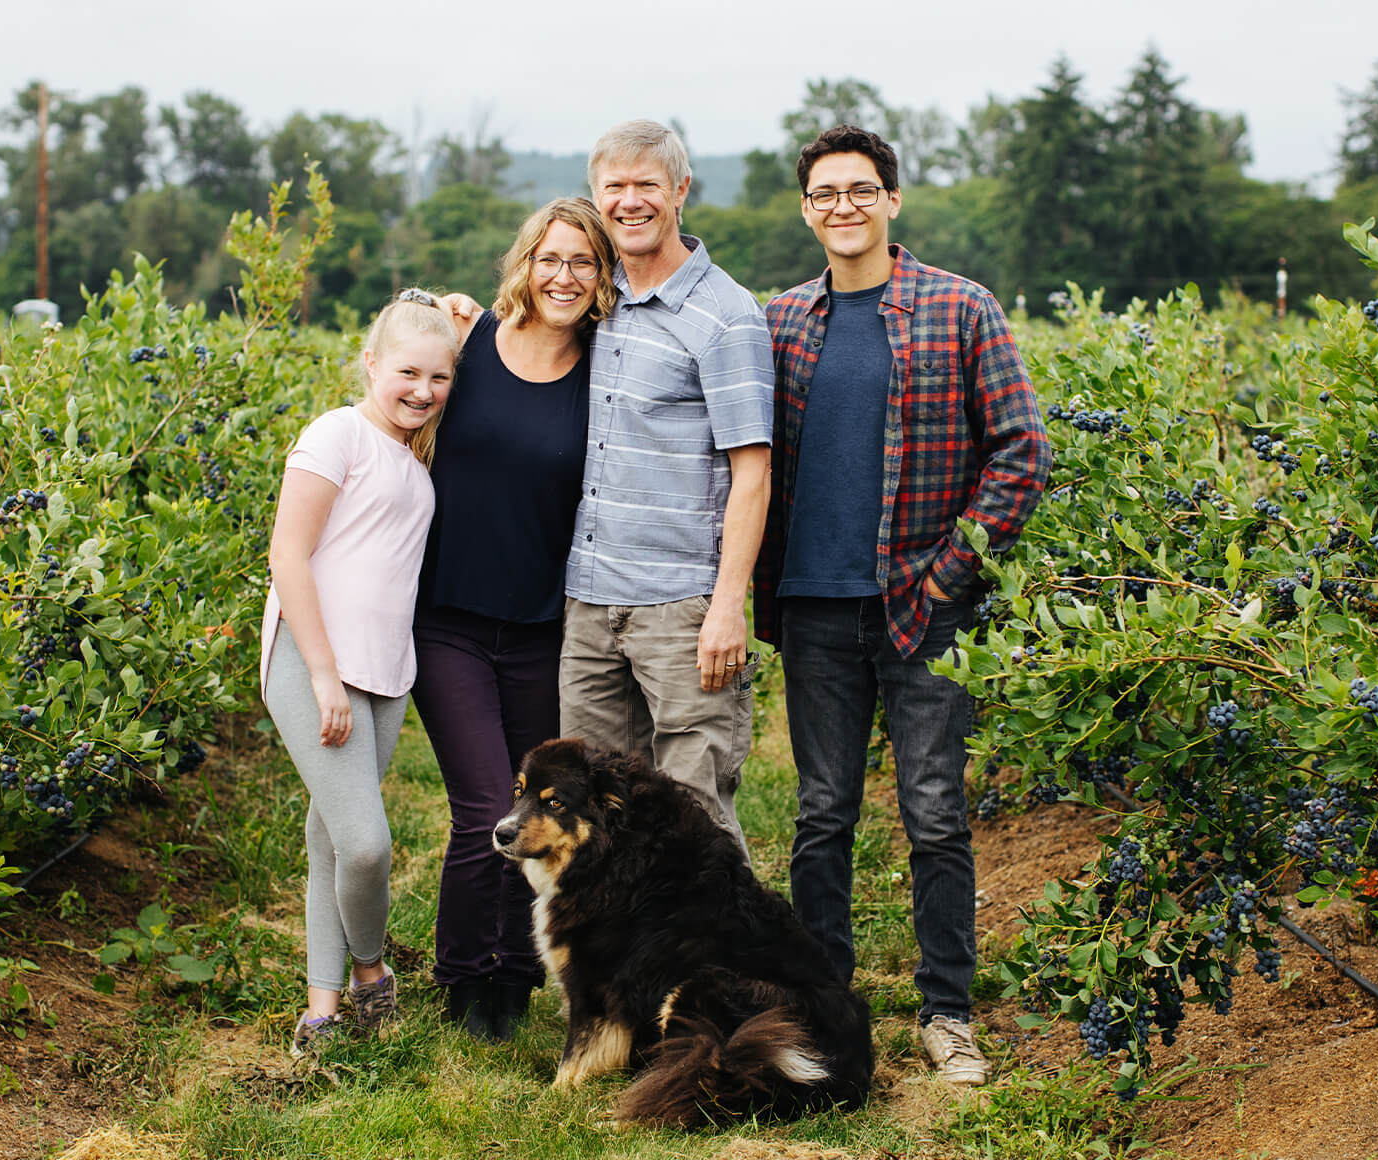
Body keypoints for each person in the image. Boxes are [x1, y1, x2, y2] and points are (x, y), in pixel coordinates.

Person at [754, 125, 1053, 1087]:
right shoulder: (780, 321)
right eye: (825, 194)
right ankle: (824, 1006)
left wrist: (948, 573)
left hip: (927, 610)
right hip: (812, 608)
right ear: (806, 210)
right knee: (821, 815)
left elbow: (1020, 452)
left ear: (892, 200)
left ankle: (947, 1012)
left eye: (861, 189)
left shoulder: (961, 308)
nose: (843, 206)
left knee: (933, 815)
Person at [412, 199, 618, 1041]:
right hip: (447, 616)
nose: (564, 277)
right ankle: (466, 981)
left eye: (584, 263)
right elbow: (393, 375)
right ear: (525, 263)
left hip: (542, 625)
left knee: (530, 804)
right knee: (477, 811)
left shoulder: (605, 367)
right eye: (551, 259)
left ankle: (514, 975)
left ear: (603, 279)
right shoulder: (467, 346)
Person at [560, 119, 773, 846]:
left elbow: (753, 471)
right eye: (613, 187)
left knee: (692, 820)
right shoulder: (592, 296)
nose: (629, 201)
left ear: (680, 191)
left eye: (646, 185)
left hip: (680, 610)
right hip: (589, 603)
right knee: (588, 815)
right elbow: (515, 328)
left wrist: (727, 608)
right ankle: (619, 964)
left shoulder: (726, 317)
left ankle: (722, 963)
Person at [261, 289, 460, 1057]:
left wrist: (459, 321)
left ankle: (322, 1006)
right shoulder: (335, 433)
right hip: (316, 663)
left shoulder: (414, 459)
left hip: (384, 671)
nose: (422, 391)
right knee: (368, 844)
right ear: (370, 362)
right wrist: (321, 675)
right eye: (407, 372)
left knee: (331, 840)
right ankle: (373, 974)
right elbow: (288, 554)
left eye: (439, 379)